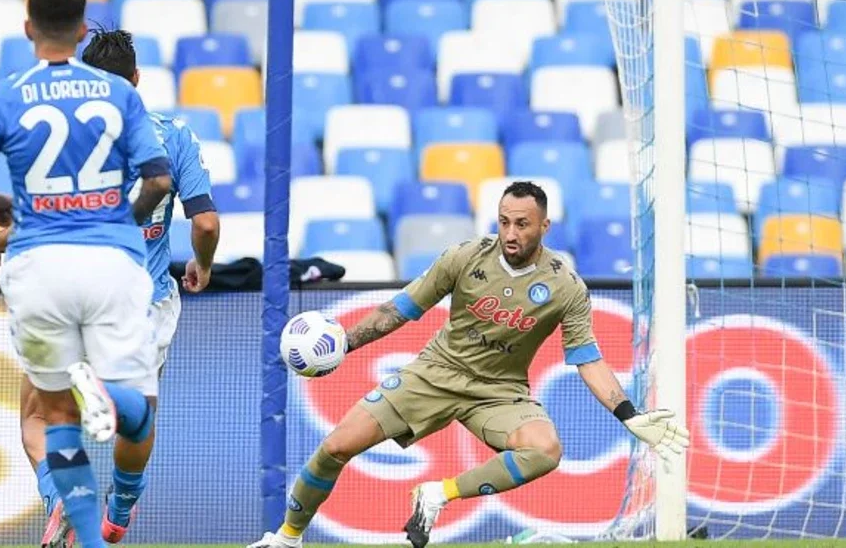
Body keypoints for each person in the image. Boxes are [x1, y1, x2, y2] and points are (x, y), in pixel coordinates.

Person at [249, 181, 691, 548]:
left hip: (500, 391)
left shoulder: (565, 286)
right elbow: (399, 310)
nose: (511, 233)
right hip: (435, 373)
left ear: (544, 226)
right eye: (504, 222)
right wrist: (346, 341)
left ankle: (439, 494)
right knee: (335, 447)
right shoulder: (464, 257)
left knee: (545, 450)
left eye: (522, 224)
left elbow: (586, 357)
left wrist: (628, 414)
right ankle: (286, 539)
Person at [0, 29, 222, 547]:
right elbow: (207, 224)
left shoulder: (63, 140)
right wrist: (202, 263)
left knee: (38, 418)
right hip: (139, 298)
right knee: (138, 417)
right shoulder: (172, 136)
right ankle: (120, 508)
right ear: (136, 80)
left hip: (61, 288)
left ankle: (60, 495)